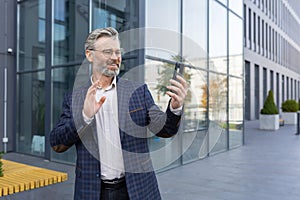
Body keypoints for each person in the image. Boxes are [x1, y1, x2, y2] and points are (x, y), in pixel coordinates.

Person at [50, 27, 187, 200]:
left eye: (117, 52)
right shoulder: (75, 99)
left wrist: (174, 107)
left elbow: (164, 130)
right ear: (89, 55)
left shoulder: (137, 91)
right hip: (92, 192)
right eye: (108, 51)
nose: (115, 57)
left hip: (137, 189)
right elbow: (57, 144)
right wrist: (84, 116)